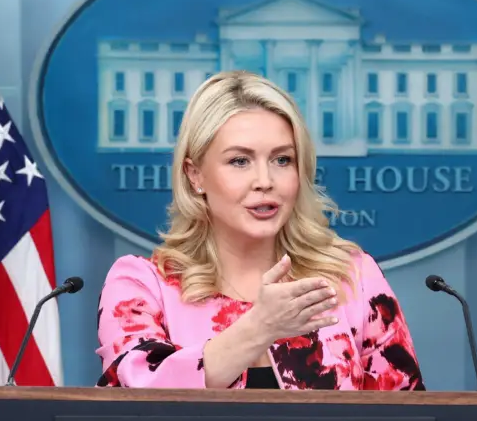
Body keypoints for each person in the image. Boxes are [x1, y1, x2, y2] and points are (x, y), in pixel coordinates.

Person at [95, 71, 425, 391]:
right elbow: (136, 399)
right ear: (195, 175)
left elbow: (406, 416)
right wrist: (259, 327)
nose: (265, 181)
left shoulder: (352, 277)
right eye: (240, 161)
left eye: (282, 160)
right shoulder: (142, 285)